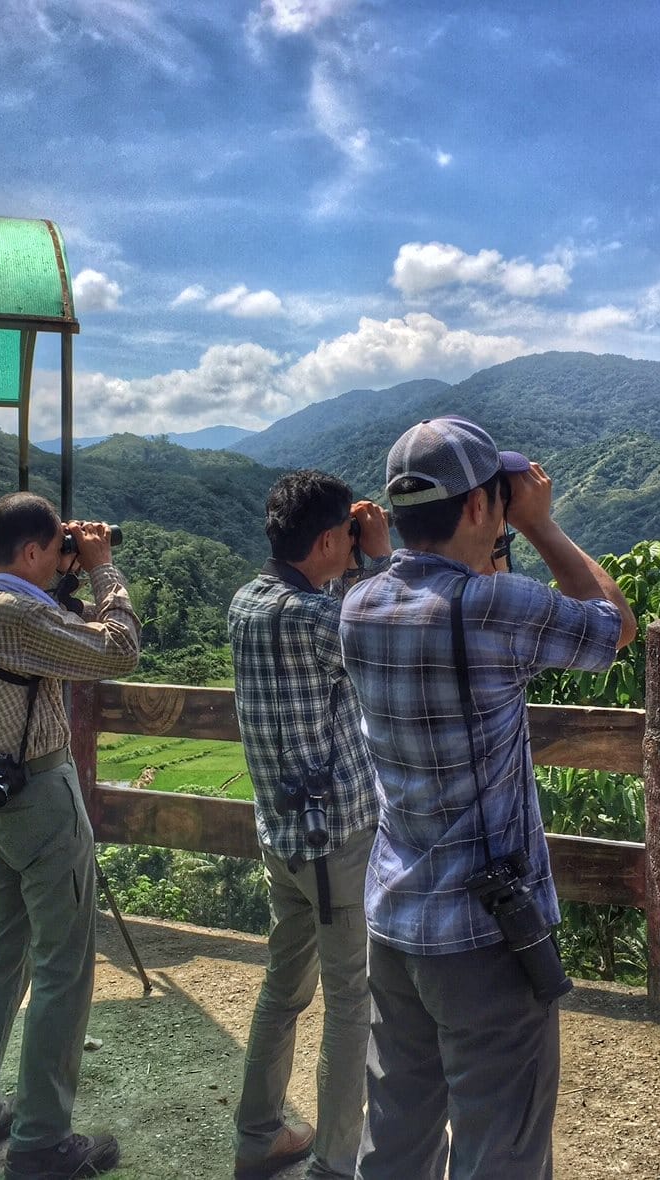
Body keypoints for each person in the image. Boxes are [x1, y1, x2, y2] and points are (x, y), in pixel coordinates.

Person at [339, 417, 637, 1180]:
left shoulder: (359, 605)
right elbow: (613, 627)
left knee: (396, 1135)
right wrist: (539, 525)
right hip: (484, 934)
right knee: (500, 1148)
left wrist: (500, 531)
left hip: (396, 916)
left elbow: (440, 587)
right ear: (479, 506)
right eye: (498, 497)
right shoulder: (493, 608)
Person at [0, 492, 139, 1180]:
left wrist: (64, 575)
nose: (61, 560)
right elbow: (119, 651)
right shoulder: (15, 614)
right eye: (53, 551)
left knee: (4, 953)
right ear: (29, 553)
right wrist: (104, 569)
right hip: (42, 796)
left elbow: (50, 627)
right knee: (62, 968)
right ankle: (43, 1140)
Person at [228, 471, 390, 1180]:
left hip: (282, 836)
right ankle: (335, 1160)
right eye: (345, 537)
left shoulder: (246, 603)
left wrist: (353, 562)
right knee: (352, 1001)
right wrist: (380, 558)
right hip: (336, 843)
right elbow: (384, 634)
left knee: (284, 987)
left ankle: (258, 1135)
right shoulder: (313, 620)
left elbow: (335, 621)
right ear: (327, 540)